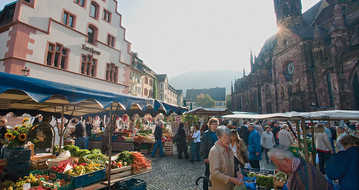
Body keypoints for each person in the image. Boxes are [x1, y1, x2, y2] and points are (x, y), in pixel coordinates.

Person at [269, 148, 334, 190]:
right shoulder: (298, 164)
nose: (278, 169)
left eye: (278, 165)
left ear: (287, 160)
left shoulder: (302, 176)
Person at [209, 125, 243, 190]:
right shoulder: (215, 151)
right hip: (219, 187)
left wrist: (237, 172)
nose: (227, 140)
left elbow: (233, 164)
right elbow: (214, 173)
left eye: (228, 137)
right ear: (218, 137)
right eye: (224, 138)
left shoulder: (229, 149)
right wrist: (231, 179)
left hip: (229, 186)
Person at [200, 117, 219, 190]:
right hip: (209, 156)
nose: (215, 126)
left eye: (216, 124)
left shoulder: (219, 133)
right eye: (214, 124)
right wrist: (205, 157)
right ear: (210, 125)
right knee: (208, 173)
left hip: (218, 156)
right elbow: (203, 146)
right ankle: (205, 188)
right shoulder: (206, 134)